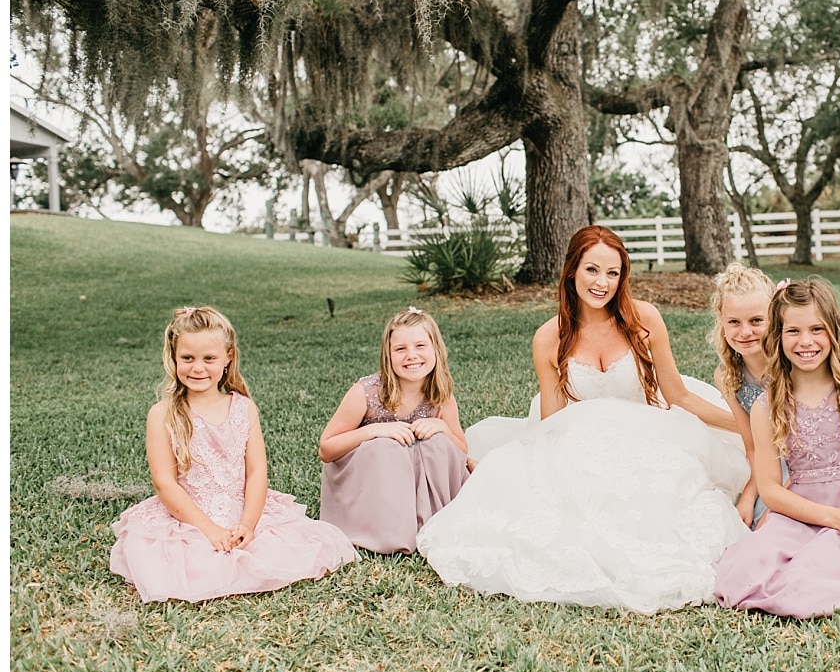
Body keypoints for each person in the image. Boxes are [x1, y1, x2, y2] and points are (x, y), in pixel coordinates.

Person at [416, 225, 751, 614]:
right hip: (580, 442)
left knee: (667, 508)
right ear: (572, 270)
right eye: (592, 270)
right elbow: (552, 423)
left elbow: (678, 396)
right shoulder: (549, 338)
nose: (602, 283)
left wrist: (744, 425)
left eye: (613, 273)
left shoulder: (645, 319)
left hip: (648, 435)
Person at [110, 307, 358, 603]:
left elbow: (256, 473)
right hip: (189, 516)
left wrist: (248, 525)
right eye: (187, 358)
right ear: (174, 357)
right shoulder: (163, 414)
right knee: (185, 563)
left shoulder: (244, 408)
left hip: (244, 510)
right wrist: (211, 530)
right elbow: (165, 482)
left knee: (282, 548)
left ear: (228, 357)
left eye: (209, 359)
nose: (198, 368)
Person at [712, 278, 840, 619]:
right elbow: (771, 490)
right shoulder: (766, 407)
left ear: (834, 331)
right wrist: (834, 518)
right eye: (793, 331)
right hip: (803, 512)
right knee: (744, 571)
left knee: (812, 582)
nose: (806, 342)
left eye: (817, 329)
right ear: (777, 336)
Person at [318, 306, 470, 554]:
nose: (411, 356)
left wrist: (441, 426)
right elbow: (326, 449)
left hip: (418, 482)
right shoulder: (366, 392)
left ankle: (431, 520)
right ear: (388, 355)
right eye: (400, 349)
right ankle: (386, 531)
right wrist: (374, 431)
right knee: (386, 447)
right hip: (372, 486)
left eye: (420, 346)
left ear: (436, 349)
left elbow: (461, 451)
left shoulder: (441, 396)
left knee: (439, 442)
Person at [708, 263, 780, 529]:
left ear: (774, 318)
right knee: (743, 526)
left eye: (756, 321)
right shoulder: (727, 376)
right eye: (734, 323)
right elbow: (753, 448)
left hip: (809, 470)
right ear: (722, 323)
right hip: (765, 468)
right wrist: (749, 497)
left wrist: (778, 502)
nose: (745, 332)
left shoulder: (790, 367)